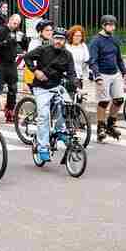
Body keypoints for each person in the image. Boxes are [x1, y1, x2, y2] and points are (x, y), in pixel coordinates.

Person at [24, 27, 75, 165]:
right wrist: (35, 71)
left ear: (65, 41)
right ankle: (42, 147)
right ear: (52, 38)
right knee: (44, 115)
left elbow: (71, 74)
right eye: (57, 38)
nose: (59, 41)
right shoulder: (43, 50)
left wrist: (75, 87)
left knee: (68, 105)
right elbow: (27, 57)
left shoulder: (67, 55)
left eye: (62, 39)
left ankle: (61, 131)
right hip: (41, 88)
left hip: (57, 86)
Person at [88, 15, 126, 142]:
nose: (112, 27)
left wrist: (124, 71)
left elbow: (119, 58)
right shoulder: (96, 41)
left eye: (113, 25)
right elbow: (93, 61)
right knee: (104, 101)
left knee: (119, 100)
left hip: (115, 73)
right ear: (103, 25)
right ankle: (101, 127)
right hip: (102, 74)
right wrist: (97, 76)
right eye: (109, 25)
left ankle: (111, 124)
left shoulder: (114, 40)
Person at [0, 14, 24, 120]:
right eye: (14, 23)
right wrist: (5, 42)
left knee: (13, 88)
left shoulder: (17, 32)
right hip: (0, 63)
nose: (15, 25)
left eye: (18, 24)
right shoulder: (1, 31)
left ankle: (10, 110)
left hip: (11, 63)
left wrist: (23, 41)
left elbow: (21, 46)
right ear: (10, 20)